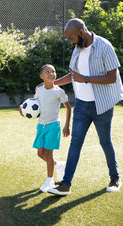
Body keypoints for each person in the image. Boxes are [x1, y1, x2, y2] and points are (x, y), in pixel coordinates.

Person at [47, 18, 123, 195]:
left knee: (105, 141)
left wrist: (86, 79)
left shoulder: (105, 46)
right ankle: (66, 184)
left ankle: (115, 178)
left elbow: (112, 77)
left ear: (81, 32)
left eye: (71, 38)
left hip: (102, 105)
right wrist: (53, 84)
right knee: (75, 143)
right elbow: (74, 76)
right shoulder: (77, 49)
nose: (71, 42)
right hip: (81, 105)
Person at [19, 64, 71, 192]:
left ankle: (50, 181)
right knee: (40, 153)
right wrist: (22, 107)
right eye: (47, 72)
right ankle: (58, 165)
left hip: (54, 125)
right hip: (41, 126)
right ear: (41, 76)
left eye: (53, 71)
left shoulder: (59, 91)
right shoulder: (39, 91)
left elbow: (68, 108)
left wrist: (66, 126)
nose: (51, 74)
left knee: (48, 153)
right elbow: (33, 103)